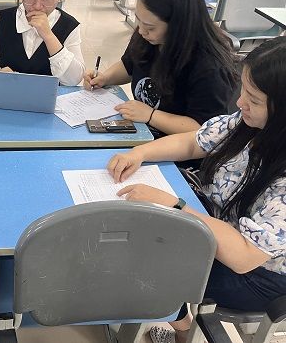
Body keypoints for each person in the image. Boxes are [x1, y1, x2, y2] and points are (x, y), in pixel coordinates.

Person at [106, 38, 286, 343]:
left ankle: (181, 328)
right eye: (243, 90)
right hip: (214, 219)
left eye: (254, 99)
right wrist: (140, 152)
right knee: (139, 234)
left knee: (144, 257)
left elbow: (243, 257)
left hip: (257, 274)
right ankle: (170, 316)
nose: (240, 103)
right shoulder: (251, 123)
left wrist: (176, 207)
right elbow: (195, 142)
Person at [85, 0, 237, 136]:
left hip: (179, 148)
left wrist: (151, 116)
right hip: (143, 133)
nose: (141, 31)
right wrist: (105, 78)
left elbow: (205, 130)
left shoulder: (209, 67)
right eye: (139, 20)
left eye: (150, 27)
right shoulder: (148, 38)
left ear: (179, 25)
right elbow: (129, 65)